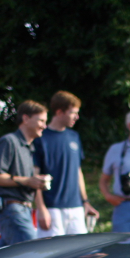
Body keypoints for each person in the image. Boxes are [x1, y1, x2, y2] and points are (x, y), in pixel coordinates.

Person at [33, 91, 100, 238]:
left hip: (76, 207)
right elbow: (35, 176)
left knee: (79, 255)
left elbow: (78, 172)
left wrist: (85, 202)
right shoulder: (40, 138)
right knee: (52, 256)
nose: (77, 117)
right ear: (59, 112)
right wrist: (41, 208)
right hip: (52, 208)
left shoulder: (74, 136)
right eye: (73, 113)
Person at [0, 100, 49, 247]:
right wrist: (27, 181)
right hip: (13, 210)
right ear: (26, 119)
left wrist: (37, 182)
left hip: (22, 211)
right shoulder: (9, 142)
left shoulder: (29, 147)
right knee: (31, 254)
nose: (44, 126)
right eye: (41, 121)